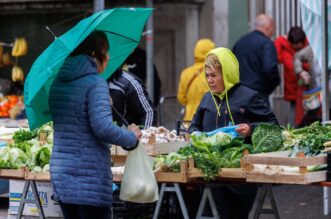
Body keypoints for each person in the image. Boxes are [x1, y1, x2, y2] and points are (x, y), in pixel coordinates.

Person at [48, 31, 142, 219]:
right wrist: (131, 136)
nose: (108, 57)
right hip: (88, 177)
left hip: (62, 174)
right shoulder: (95, 83)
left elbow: (75, 120)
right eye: (105, 51)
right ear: (93, 54)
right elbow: (103, 128)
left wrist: (99, 102)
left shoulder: (58, 82)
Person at [189, 47, 279, 218]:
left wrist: (251, 129)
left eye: (214, 75)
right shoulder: (206, 99)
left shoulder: (249, 97)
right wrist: (195, 135)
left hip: (240, 176)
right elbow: (194, 126)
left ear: (227, 73)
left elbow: (274, 125)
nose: (210, 80)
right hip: (210, 171)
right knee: (213, 214)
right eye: (207, 75)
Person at [233, 14, 280, 103]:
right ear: (269, 27)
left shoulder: (240, 42)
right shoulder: (266, 44)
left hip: (239, 94)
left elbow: (231, 67)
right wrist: (273, 84)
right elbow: (270, 69)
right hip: (258, 94)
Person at [274, 26, 309, 126]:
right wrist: (280, 39)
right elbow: (277, 57)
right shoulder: (286, 48)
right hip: (293, 89)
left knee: (310, 114)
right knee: (293, 116)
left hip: (308, 88)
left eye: (297, 44)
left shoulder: (309, 47)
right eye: (293, 44)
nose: (295, 46)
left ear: (303, 41)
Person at [177, 39, 216, 121]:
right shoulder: (214, 72)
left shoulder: (186, 72)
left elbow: (181, 98)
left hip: (190, 118)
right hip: (208, 117)